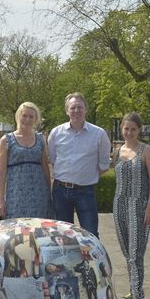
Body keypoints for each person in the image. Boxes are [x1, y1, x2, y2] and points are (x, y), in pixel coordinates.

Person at [48, 92, 111, 237]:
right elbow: (53, 159)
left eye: (80, 107)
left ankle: (90, 260)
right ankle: (66, 261)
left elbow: (103, 165)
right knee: (62, 235)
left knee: (90, 234)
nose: (76, 111)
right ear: (67, 111)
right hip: (60, 192)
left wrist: (84, 177)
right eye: (73, 107)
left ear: (85, 109)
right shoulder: (56, 133)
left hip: (86, 192)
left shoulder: (99, 134)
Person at [112, 112, 150, 299]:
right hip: (119, 204)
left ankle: (137, 296)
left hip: (139, 205)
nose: (129, 132)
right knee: (125, 250)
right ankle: (134, 287)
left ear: (139, 130)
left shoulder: (146, 151)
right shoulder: (117, 152)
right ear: (122, 129)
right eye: (126, 128)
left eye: (133, 129)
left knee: (135, 252)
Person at [0, 102, 53, 219]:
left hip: (39, 193)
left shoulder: (41, 139)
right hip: (16, 194)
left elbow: (45, 168)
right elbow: (1, 172)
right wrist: (1, 200)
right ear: (18, 116)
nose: (27, 119)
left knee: (39, 230)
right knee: (17, 231)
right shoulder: (6, 140)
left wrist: (50, 193)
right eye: (24, 115)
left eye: (31, 117)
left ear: (36, 119)